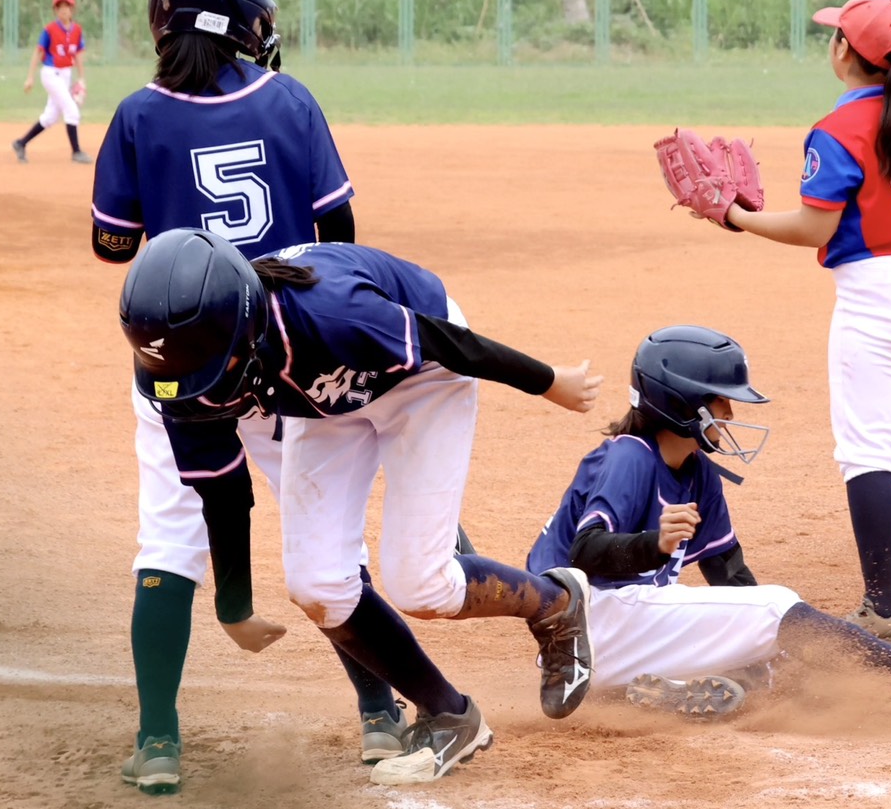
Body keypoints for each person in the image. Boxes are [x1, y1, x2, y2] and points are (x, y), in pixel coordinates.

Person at [118, 229, 602, 786]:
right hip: (324, 401)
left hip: (420, 379)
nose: (204, 390)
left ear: (246, 329)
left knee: (421, 585)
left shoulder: (330, 312)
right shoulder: (177, 375)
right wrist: (235, 605)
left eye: (214, 368)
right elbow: (223, 492)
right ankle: (449, 714)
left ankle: (555, 604)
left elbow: (446, 341)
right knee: (317, 586)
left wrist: (549, 381)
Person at [90, 0, 365, 794]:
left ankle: (159, 740)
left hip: (182, 365)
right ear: (249, 22)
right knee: (327, 541)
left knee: (169, 541)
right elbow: (341, 238)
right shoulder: (291, 103)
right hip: (284, 357)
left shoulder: (138, 114)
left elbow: (112, 244)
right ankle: (386, 714)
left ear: (164, 16)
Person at [526, 325, 891, 720]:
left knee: (779, 647)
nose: (729, 413)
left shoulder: (698, 472)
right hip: (586, 629)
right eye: (720, 401)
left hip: (626, 629)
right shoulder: (629, 459)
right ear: (682, 404)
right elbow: (583, 553)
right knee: (776, 608)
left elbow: (730, 578)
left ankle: (656, 691)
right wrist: (654, 546)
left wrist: (780, 642)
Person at [695, 0, 891, 645]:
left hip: (880, 292)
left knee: (865, 451)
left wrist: (736, 217)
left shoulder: (836, 129)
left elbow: (814, 226)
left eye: (833, 35)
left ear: (843, 52)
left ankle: (884, 607)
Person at [14, 0, 91, 163]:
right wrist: (30, 78)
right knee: (71, 110)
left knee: (50, 117)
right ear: (55, 11)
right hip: (50, 73)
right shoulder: (49, 30)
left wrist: (81, 78)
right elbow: (38, 52)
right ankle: (76, 152)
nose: (63, 10)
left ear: (72, 10)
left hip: (66, 74)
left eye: (67, 7)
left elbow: (78, 55)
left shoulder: (77, 30)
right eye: (60, 7)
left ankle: (21, 143)